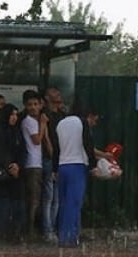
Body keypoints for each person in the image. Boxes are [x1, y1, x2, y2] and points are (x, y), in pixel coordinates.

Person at [52, 101, 101, 248]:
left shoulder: (60, 124)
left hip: (62, 165)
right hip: (77, 166)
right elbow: (88, 144)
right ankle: (69, 238)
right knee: (74, 203)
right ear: (88, 115)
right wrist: (93, 165)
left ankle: (64, 235)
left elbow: (56, 148)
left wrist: (55, 169)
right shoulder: (81, 123)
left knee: (64, 202)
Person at [0, 104, 26, 244]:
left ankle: (14, 233)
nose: (14, 117)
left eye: (16, 114)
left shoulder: (17, 132)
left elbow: (22, 151)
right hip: (0, 174)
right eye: (11, 114)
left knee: (16, 204)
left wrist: (18, 165)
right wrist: (9, 166)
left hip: (15, 175)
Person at [21, 90, 48, 239]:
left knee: (36, 198)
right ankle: (30, 231)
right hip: (32, 163)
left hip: (36, 162)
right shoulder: (29, 121)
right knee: (34, 199)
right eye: (30, 104)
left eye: (35, 104)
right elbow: (37, 140)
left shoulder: (33, 121)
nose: (33, 107)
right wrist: (43, 124)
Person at [41, 87, 66, 243]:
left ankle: (54, 228)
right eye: (54, 93)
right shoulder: (45, 115)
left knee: (56, 197)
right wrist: (49, 148)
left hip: (61, 157)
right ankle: (47, 229)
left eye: (58, 92)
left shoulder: (62, 115)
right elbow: (45, 135)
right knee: (49, 196)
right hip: (50, 157)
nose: (58, 95)